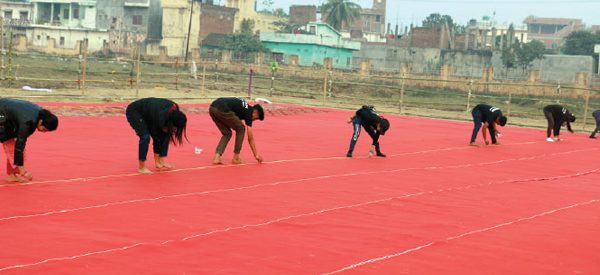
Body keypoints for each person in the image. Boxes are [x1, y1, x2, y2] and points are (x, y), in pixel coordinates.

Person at [0, 98, 58, 182]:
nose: (43, 132)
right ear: (41, 122)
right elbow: (19, 144)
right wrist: (23, 171)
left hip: (7, 118)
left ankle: (12, 174)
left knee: (16, 149)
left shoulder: (39, 114)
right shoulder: (27, 122)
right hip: (3, 115)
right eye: (44, 129)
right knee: (12, 148)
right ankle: (15, 172)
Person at [126, 97, 187, 173]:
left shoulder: (175, 109)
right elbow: (156, 136)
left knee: (166, 132)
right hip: (135, 111)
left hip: (150, 112)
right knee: (145, 137)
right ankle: (141, 167)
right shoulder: (160, 117)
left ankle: (160, 161)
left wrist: (158, 161)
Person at [209, 97, 264, 165]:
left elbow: (236, 119)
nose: (253, 120)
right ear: (255, 112)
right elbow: (250, 138)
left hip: (212, 108)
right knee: (241, 129)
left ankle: (217, 157)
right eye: (256, 118)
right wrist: (256, 155)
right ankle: (236, 157)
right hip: (223, 109)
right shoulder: (249, 112)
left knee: (227, 133)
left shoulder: (244, 108)